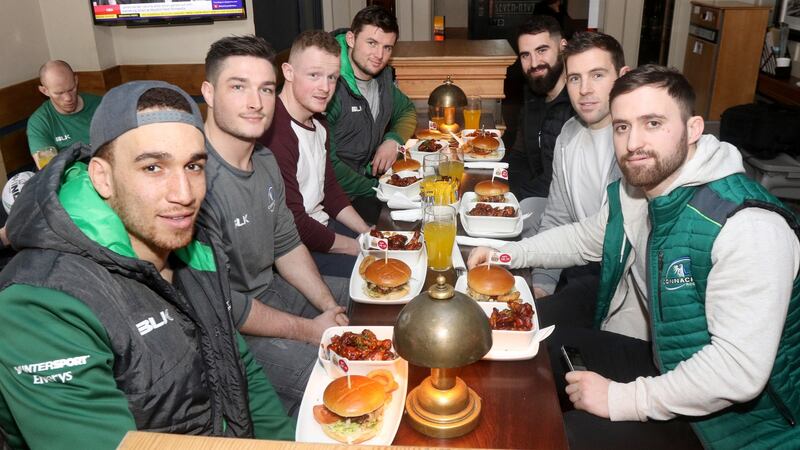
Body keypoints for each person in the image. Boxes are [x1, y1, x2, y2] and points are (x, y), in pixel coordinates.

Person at [469, 65, 800, 449]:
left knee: (563, 438)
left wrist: (621, 399)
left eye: (653, 123)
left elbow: (738, 372)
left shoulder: (748, 226)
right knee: (530, 347)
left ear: (694, 129)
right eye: (622, 126)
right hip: (668, 364)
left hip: (739, 430)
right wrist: (506, 253)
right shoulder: (641, 190)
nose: (633, 142)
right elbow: (583, 239)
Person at [0, 80, 295, 450]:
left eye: (193, 166)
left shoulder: (194, 246)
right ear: (102, 177)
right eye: (153, 167)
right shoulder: (40, 306)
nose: (184, 194)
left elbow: (241, 369)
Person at [198, 35, 350, 416]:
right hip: (227, 328)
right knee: (339, 381)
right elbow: (224, 306)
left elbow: (287, 246)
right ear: (209, 93)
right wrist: (312, 331)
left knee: (364, 303)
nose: (256, 102)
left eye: (265, 89)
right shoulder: (193, 181)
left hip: (271, 289)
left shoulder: (263, 161)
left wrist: (329, 309)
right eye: (238, 87)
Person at [528, 32, 627, 304]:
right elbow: (558, 217)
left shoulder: (635, 143)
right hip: (582, 273)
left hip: (625, 287)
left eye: (597, 75)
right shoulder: (568, 135)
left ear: (622, 77)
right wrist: (542, 286)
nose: (585, 89)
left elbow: (608, 238)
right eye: (575, 78)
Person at [261, 30, 370, 278]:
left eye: (332, 77)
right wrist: (356, 247)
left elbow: (329, 189)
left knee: (393, 251)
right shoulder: (274, 133)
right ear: (288, 72)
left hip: (321, 227)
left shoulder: (319, 122)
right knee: (374, 272)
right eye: (314, 75)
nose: (325, 88)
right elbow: (293, 221)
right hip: (294, 248)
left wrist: (366, 232)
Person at [326, 5, 417, 223]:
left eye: (387, 48)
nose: (379, 55)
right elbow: (326, 166)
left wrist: (393, 141)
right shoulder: (329, 84)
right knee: (406, 224)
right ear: (350, 39)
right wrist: (377, 188)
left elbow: (407, 110)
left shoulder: (382, 76)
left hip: (370, 183)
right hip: (339, 197)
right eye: (371, 43)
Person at [506, 15, 574, 202]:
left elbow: (561, 182)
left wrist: (513, 198)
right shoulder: (532, 96)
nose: (534, 63)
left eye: (542, 50)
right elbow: (519, 156)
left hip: (562, 210)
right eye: (525, 55)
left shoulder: (578, 105)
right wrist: (502, 189)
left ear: (563, 47)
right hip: (531, 200)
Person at [27, 60, 102, 169]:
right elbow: (50, 172)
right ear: (44, 91)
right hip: (70, 181)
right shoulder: (39, 122)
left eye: (71, 89)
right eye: (59, 93)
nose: (68, 98)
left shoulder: (101, 105)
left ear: (76, 81)